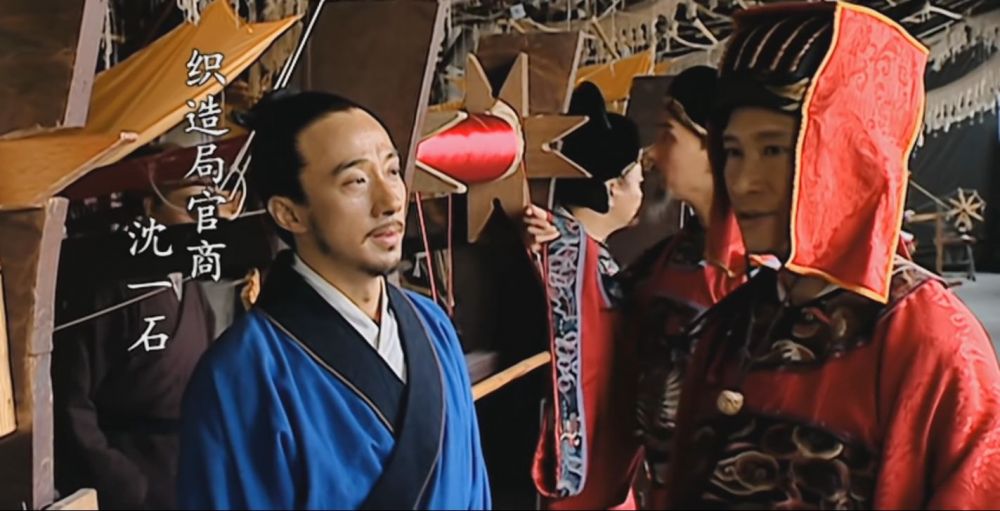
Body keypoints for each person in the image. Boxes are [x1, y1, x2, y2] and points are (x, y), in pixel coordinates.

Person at [658, 2, 1000, 508]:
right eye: (733, 151)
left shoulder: (929, 342)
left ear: (848, 155)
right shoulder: (733, 322)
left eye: (773, 150)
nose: (744, 181)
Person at [176, 91, 490, 510]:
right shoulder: (244, 373)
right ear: (289, 213)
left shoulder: (432, 326)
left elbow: (475, 491)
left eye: (392, 170)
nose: (390, 201)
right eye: (356, 181)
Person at [522, 67, 747, 497]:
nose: (655, 154)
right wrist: (559, 244)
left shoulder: (764, 267)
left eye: (668, 135)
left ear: (714, 145)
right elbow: (604, 323)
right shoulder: (664, 263)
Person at [52, 178, 232, 510]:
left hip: (185, 470)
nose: (202, 220)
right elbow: (70, 401)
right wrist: (123, 482)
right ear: (151, 207)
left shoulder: (190, 284)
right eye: (191, 206)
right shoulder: (112, 289)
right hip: (133, 471)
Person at [530, 81, 644, 510]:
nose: (642, 193)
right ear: (612, 188)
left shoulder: (575, 249)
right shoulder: (564, 250)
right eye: (638, 181)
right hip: (592, 465)